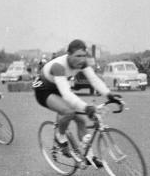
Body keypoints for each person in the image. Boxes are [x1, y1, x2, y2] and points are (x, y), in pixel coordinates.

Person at [33, 39, 122, 168]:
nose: (81, 59)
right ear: (68, 54)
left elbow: (94, 80)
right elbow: (67, 94)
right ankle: (60, 136)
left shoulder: (82, 64)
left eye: (84, 56)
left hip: (59, 86)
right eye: (78, 56)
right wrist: (86, 107)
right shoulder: (58, 66)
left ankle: (89, 156)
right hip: (44, 90)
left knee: (81, 120)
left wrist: (109, 95)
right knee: (68, 111)